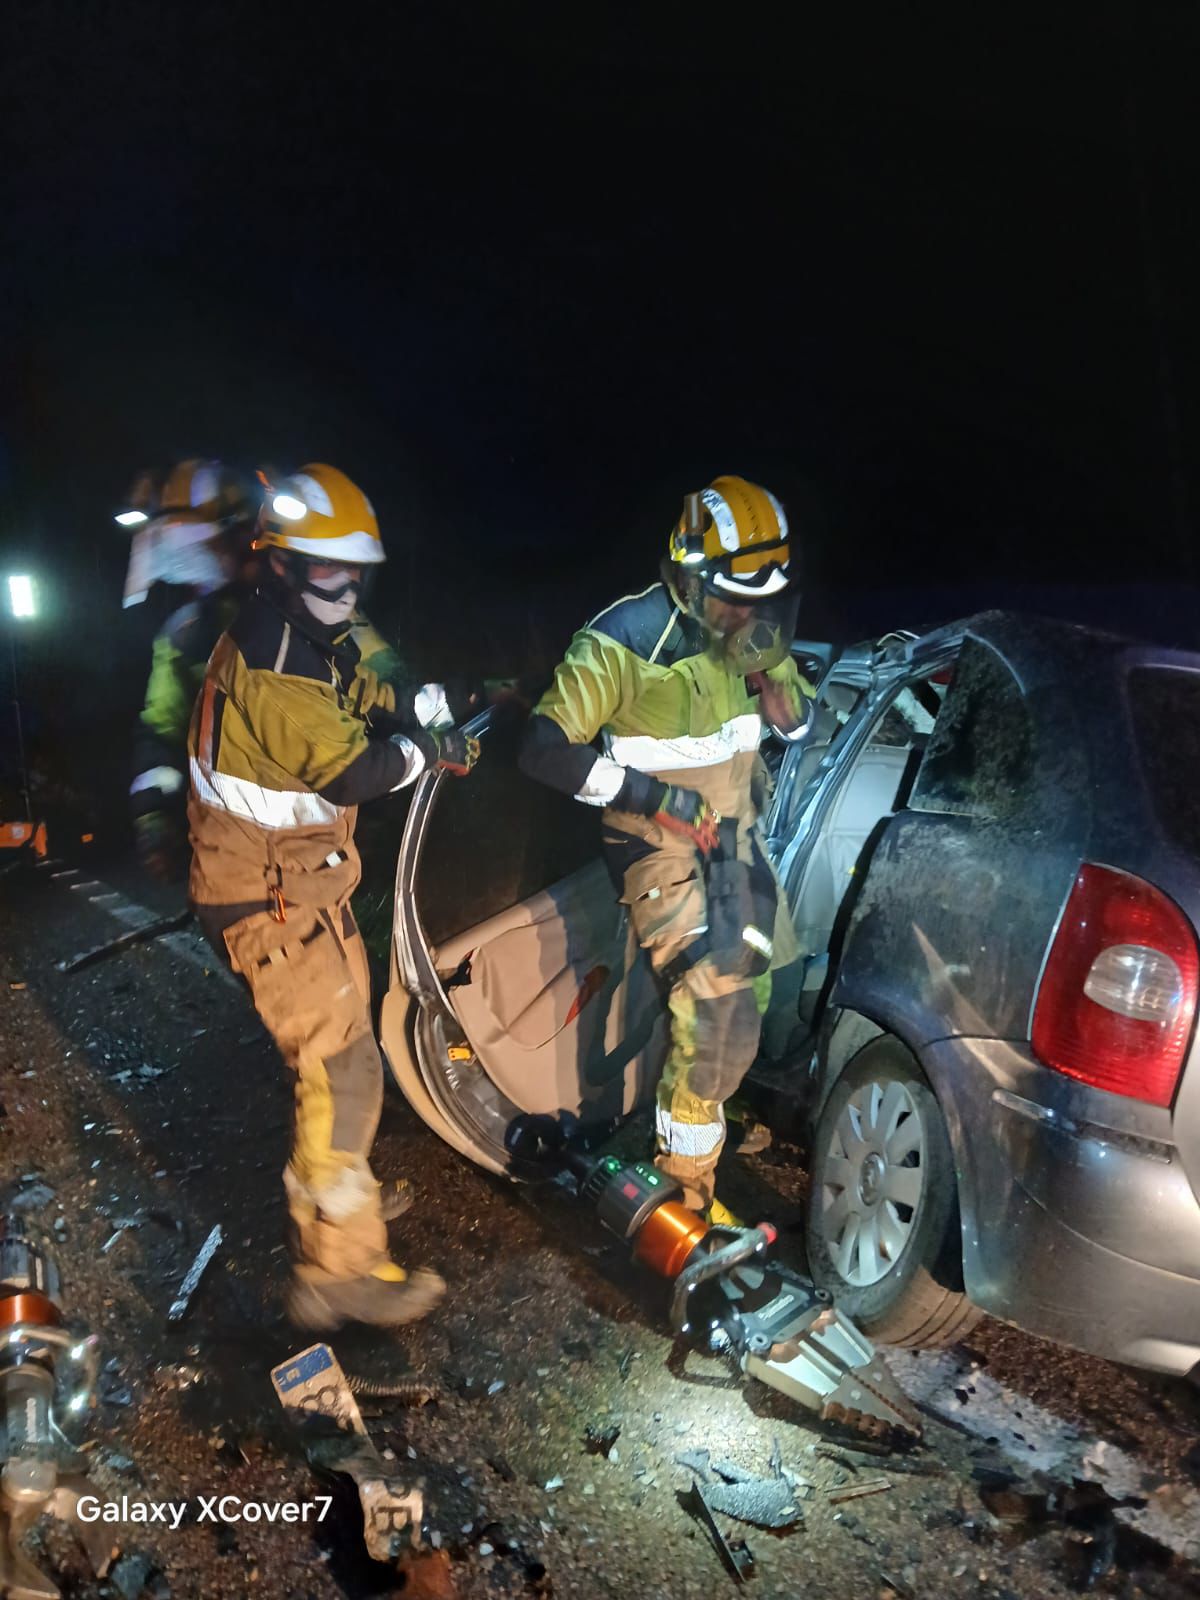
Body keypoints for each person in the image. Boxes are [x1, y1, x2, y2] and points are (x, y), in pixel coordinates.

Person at [186, 463, 478, 1329]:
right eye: (326, 567)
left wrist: (428, 702)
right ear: (279, 564)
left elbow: (370, 680)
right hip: (266, 897)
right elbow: (355, 769)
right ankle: (336, 1270)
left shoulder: (309, 633)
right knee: (339, 1066)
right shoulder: (274, 663)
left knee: (348, 1059)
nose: (345, 587)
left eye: (355, 570)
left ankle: (337, 1201)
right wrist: (427, 748)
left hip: (303, 885)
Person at [519, 475, 813, 1217]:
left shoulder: (754, 632)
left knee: (753, 995)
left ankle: (705, 1105)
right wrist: (656, 799)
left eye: (763, 601)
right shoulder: (622, 641)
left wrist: (782, 697)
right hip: (661, 849)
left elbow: (798, 720)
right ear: (688, 577)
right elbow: (543, 750)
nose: (748, 615)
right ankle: (682, 1202)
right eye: (733, 599)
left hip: (736, 844)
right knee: (718, 1020)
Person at [121, 461, 259, 879]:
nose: (196, 578)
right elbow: (161, 728)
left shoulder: (297, 612)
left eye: (202, 555)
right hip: (225, 845)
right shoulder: (184, 635)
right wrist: (154, 816)